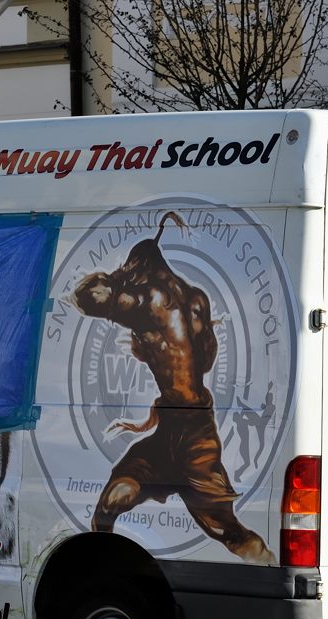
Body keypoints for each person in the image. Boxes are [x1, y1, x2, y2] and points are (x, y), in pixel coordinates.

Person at [73, 212, 276, 564]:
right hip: (189, 424)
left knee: (224, 529)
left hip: (189, 434)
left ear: (140, 267)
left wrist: (80, 297)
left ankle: (270, 565)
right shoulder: (197, 300)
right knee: (120, 490)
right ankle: (101, 568)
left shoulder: (144, 298)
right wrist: (155, 347)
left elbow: (96, 298)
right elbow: (204, 361)